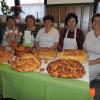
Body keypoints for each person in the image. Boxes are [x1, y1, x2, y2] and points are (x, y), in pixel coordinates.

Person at [84, 13, 100, 82]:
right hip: (87, 58)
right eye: (95, 20)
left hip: (97, 62)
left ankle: (85, 90)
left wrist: (92, 62)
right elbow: (84, 47)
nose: (97, 23)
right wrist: (85, 56)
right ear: (92, 23)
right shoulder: (89, 33)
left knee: (85, 74)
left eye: (99, 21)